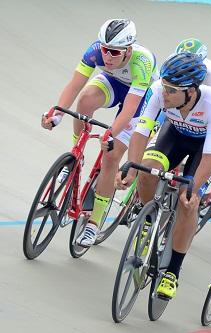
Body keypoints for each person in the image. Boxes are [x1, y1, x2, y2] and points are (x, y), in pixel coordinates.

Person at [115, 52, 211, 299]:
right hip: (174, 135)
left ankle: (172, 272)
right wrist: (132, 167)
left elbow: (210, 155)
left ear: (190, 91)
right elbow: (141, 132)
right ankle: (148, 219)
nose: (164, 93)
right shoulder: (159, 90)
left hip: (202, 148)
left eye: (171, 90)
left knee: (187, 203)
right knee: (146, 171)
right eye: (164, 87)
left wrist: (194, 188)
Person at [41, 19, 158, 246]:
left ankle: (94, 225)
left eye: (114, 52)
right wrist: (56, 114)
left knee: (111, 156)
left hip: (141, 99)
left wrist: (110, 134)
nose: (108, 56)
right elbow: (74, 85)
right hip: (114, 82)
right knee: (85, 99)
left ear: (128, 50)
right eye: (105, 49)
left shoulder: (142, 61)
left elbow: (130, 109)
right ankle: (77, 154)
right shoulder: (95, 51)